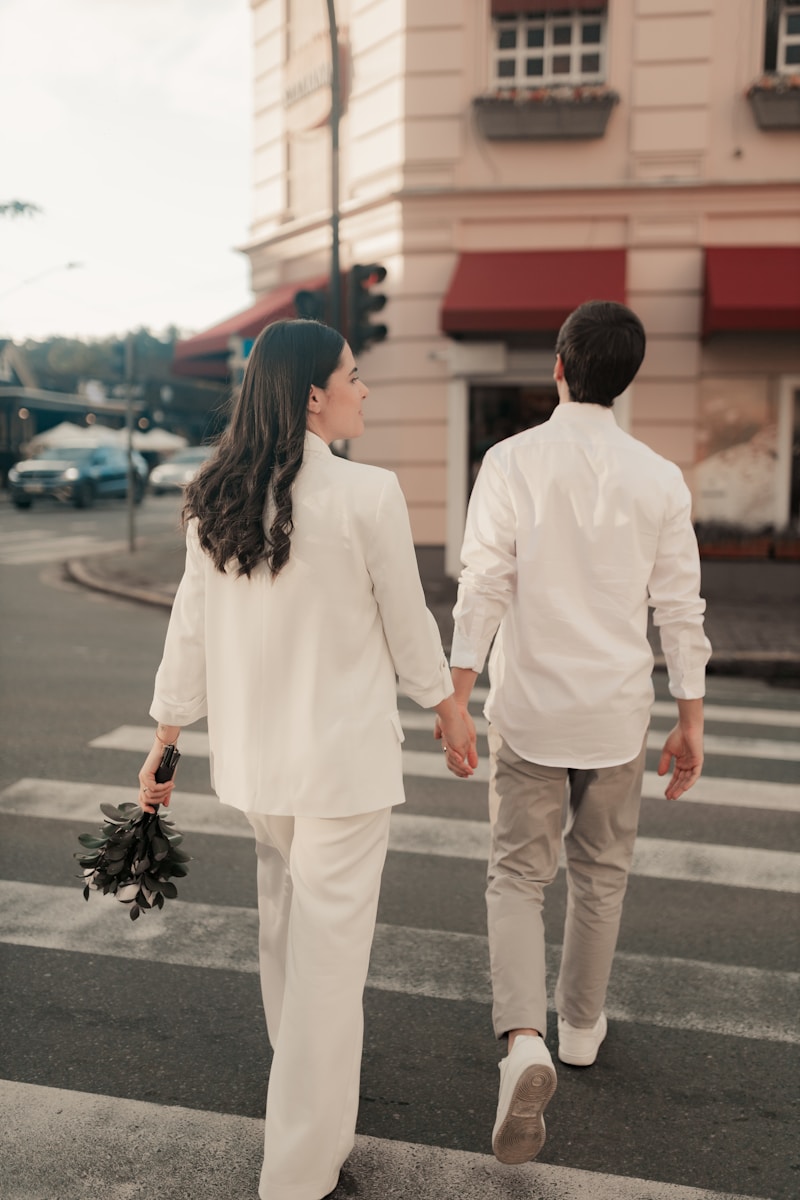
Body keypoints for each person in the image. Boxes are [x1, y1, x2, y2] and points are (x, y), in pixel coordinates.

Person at [137, 319, 476, 1200]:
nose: (365, 390)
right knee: (328, 965)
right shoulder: (369, 496)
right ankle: (296, 1169)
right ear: (313, 394)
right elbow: (409, 626)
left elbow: (191, 629)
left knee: (287, 941)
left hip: (258, 768)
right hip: (344, 770)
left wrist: (167, 740)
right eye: (354, 377)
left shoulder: (214, 494)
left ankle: (311, 1112)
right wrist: (448, 711)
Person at [442, 300, 711, 1165]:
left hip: (528, 709)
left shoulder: (511, 461)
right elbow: (680, 607)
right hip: (617, 713)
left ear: (560, 365)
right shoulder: (660, 477)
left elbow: (483, 583)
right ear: (625, 380)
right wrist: (691, 717)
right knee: (602, 875)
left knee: (518, 877)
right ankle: (584, 1027)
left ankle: (524, 1039)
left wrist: (456, 696)